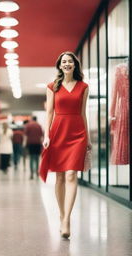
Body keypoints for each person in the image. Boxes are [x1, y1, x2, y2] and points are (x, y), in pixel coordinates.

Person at [39, 51, 92, 239]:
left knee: (71, 174)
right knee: (60, 177)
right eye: (64, 62)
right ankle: (61, 214)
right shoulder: (52, 86)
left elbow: (83, 113)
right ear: (60, 65)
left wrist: (88, 139)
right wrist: (47, 135)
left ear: (74, 65)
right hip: (58, 132)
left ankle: (67, 219)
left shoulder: (84, 86)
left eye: (70, 61)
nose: (67, 64)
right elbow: (50, 113)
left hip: (77, 133)